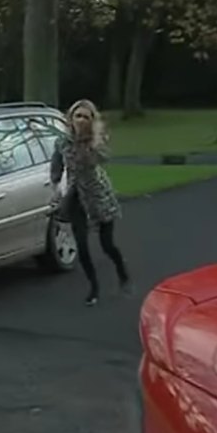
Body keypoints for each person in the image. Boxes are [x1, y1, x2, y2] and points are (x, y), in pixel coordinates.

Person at [49, 99, 131, 306]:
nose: (81, 120)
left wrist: (91, 143)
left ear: (92, 121)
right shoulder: (62, 142)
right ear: (71, 118)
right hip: (76, 196)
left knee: (107, 245)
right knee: (82, 247)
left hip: (99, 196)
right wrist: (57, 187)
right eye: (78, 116)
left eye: (86, 117)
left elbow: (103, 158)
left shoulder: (96, 141)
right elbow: (56, 167)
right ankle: (94, 287)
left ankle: (122, 272)